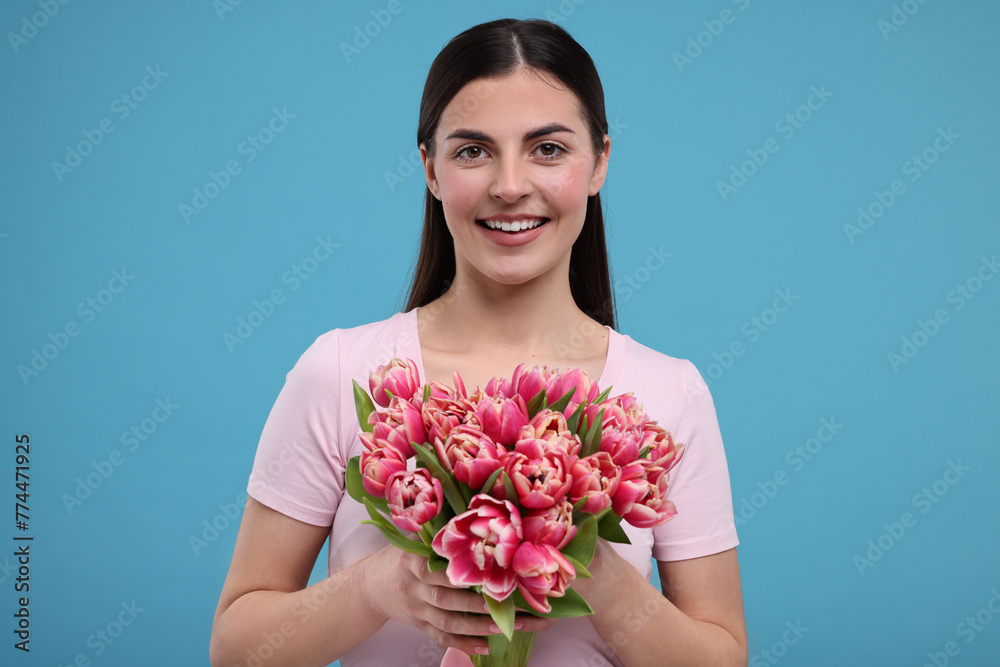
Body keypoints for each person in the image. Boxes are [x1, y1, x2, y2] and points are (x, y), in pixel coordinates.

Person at [209, 18, 747, 667]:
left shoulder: (667, 395)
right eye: (472, 151)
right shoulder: (343, 374)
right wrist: (376, 588)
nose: (510, 185)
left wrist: (601, 578)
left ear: (600, 161)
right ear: (430, 168)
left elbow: (722, 656)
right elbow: (235, 648)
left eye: (548, 148)